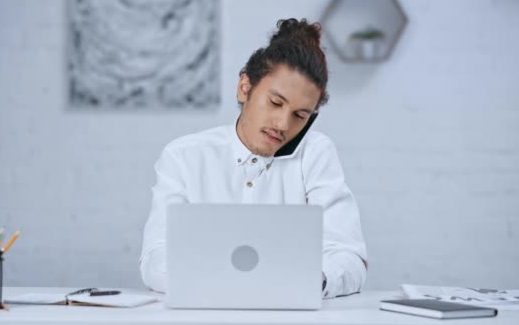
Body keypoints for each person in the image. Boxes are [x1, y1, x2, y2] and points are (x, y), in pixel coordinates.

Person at [140, 18, 368, 298]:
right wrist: (226, 284)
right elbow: (155, 258)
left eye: (300, 115)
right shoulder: (184, 156)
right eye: (275, 103)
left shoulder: (316, 153)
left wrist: (308, 281)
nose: (283, 125)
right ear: (244, 87)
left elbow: (349, 258)